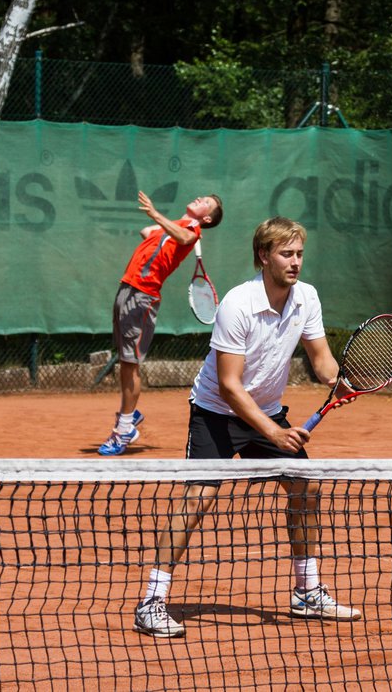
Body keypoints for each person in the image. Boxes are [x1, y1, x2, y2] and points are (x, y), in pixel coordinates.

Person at [132, 216, 361, 638]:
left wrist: (340, 379)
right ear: (263, 256)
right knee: (198, 498)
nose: (295, 262)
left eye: (299, 254)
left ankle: (307, 593)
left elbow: (322, 358)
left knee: (305, 486)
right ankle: (152, 601)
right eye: (286, 254)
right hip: (217, 412)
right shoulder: (238, 304)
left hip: (268, 410)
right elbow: (230, 385)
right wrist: (273, 434)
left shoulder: (306, 298)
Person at [98, 190, 224, 456]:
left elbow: (186, 236)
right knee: (124, 362)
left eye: (206, 204)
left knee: (130, 364)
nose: (199, 199)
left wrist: (157, 215)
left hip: (143, 295)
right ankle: (129, 414)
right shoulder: (174, 226)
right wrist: (160, 226)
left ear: (208, 218)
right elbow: (147, 231)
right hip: (127, 288)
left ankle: (124, 430)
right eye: (200, 197)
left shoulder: (191, 229)